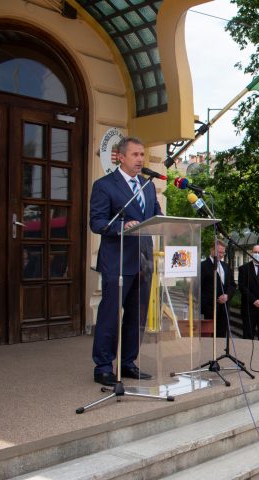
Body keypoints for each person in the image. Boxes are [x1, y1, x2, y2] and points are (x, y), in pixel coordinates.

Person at [89, 136, 162, 386]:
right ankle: (103, 366)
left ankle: (128, 362)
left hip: (144, 261)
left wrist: (165, 222)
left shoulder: (148, 186)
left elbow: (156, 217)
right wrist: (122, 226)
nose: (140, 159)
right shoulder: (105, 186)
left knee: (137, 316)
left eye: (142, 154)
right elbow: (96, 222)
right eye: (135, 155)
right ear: (120, 156)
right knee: (110, 315)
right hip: (117, 261)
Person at [200, 241, 236, 339]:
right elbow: (199, 288)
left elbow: (232, 285)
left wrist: (227, 295)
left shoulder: (226, 266)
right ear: (212, 250)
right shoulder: (202, 266)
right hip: (209, 310)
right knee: (209, 337)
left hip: (224, 309)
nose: (221, 255)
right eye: (219, 252)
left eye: (223, 253)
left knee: (221, 335)